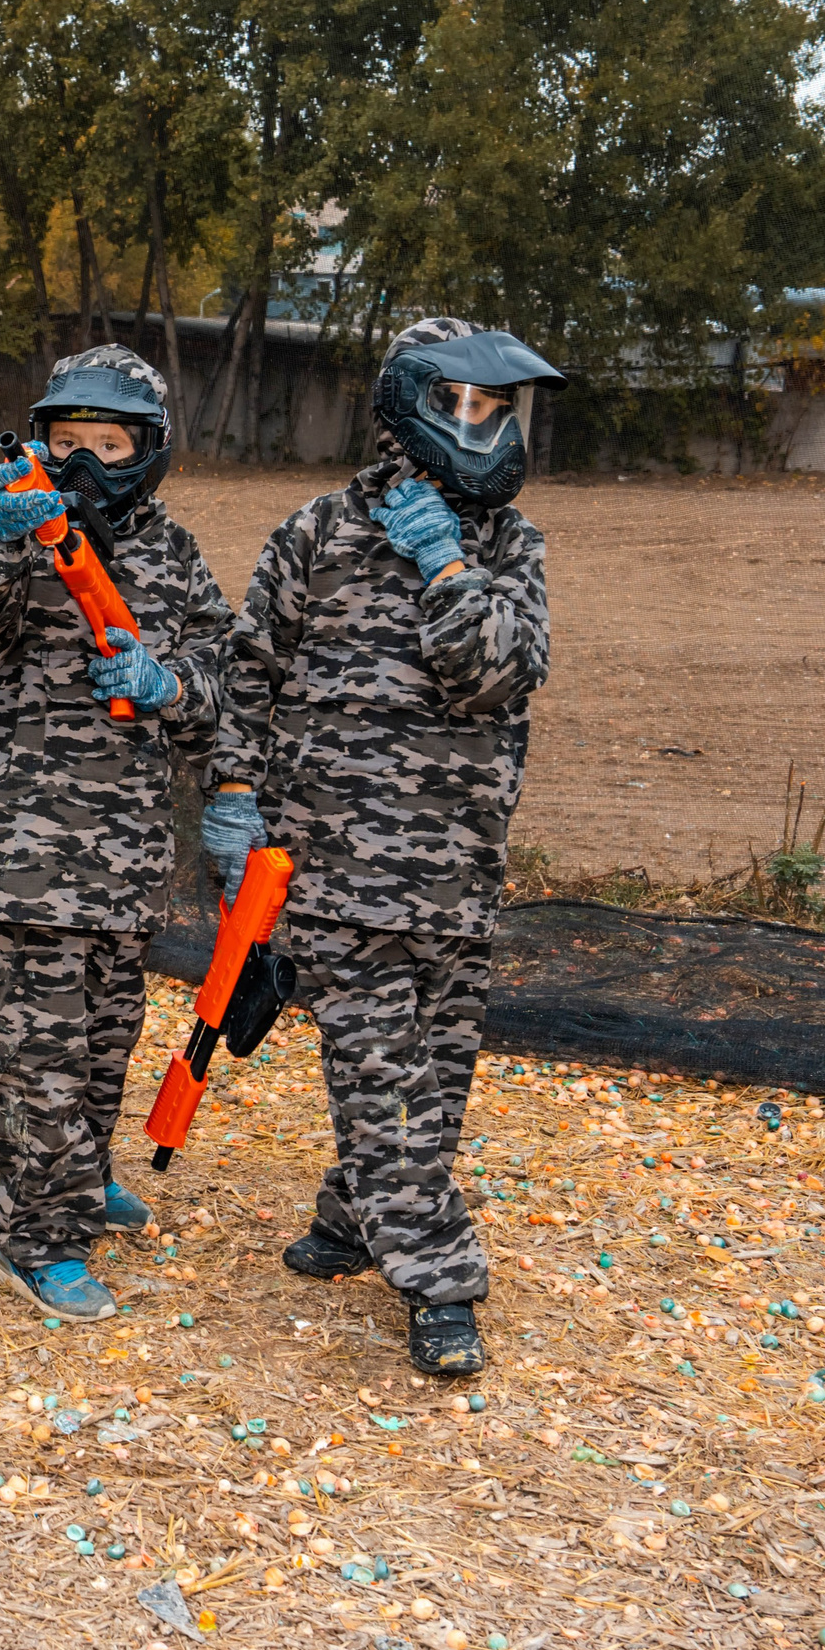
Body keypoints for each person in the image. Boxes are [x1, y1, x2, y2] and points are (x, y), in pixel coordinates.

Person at [208, 317, 562, 1375]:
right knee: (380, 1081)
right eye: (460, 405)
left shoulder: (507, 546)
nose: (480, 425)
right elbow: (250, 671)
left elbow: (497, 674)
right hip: (335, 875)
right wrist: (233, 798)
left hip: (457, 870)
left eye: (494, 408)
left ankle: (352, 1216)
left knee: (430, 1085)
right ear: (406, 409)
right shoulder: (317, 532)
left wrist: (443, 559)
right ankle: (440, 1280)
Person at [0, 345, 233, 1322]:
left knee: (106, 1038)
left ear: (147, 449)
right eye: (67, 441)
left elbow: (227, 680)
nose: (84, 461)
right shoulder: (14, 538)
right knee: (40, 1056)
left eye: (108, 444)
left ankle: (82, 1173)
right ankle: (38, 1236)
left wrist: (169, 684)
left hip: (130, 856)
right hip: (28, 853)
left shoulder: (175, 556)